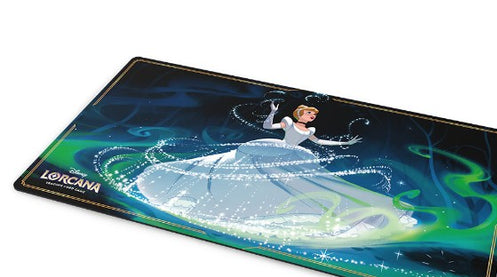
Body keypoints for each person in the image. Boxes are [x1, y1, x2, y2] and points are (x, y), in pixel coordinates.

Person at [134, 101, 416, 244]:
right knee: (260, 180)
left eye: (313, 116)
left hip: (293, 159)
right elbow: (269, 127)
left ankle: (364, 213)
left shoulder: (310, 130)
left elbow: (319, 141)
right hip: (271, 151)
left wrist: (345, 143)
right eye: (309, 115)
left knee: (312, 186)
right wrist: (272, 111)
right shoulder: (287, 122)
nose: (311, 118)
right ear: (300, 114)